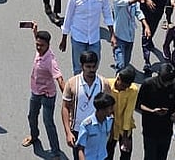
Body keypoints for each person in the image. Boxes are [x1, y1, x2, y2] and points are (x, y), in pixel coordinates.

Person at [24, 25, 66, 158]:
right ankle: (34, 136)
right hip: (36, 91)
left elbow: (59, 78)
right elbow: (37, 40)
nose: (38, 47)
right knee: (31, 116)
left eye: (41, 45)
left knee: (48, 122)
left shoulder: (50, 61)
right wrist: (35, 31)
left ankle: (55, 152)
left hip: (47, 95)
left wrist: (67, 97)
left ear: (48, 45)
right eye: (37, 44)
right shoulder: (40, 51)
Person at [60, 0, 114, 74]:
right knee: (78, 68)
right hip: (78, 38)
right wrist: (64, 39)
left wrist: (112, 35)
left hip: (94, 38)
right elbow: (68, 18)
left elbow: (108, 16)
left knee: (93, 67)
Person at [63, 51, 114, 155]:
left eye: (94, 66)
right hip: (77, 130)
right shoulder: (72, 83)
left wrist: (110, 130)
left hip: (98, 130)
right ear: (81, 66)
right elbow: (65, 107)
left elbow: (110, 108)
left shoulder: (103, 84)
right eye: (88, 66)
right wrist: (68, 132)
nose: (92, 70)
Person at [111, 0, 149, 71]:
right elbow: (126, 3)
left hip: (130, 37)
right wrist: (136, 0)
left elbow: (138, 12)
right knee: (121, 65)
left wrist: (146, 26)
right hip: (119, 36)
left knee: (126, 64)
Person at [108, 68, 140, 160]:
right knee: (107, 154)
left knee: (126, 155)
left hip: (125, 128)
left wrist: (125, 137)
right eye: (122, 85)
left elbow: (128, 112)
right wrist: (109, 131)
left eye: (126, 87)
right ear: (118, 79)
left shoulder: (133, 90)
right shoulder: (107, 84)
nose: (123, 88)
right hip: (110, 127)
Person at [76, 92, 117, 160]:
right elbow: (81, 149)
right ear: (101, 109)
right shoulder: (86, 125)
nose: (112, 110)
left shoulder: (110, 120)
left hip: (103, 157)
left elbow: (110, 137)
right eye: (110, 108)